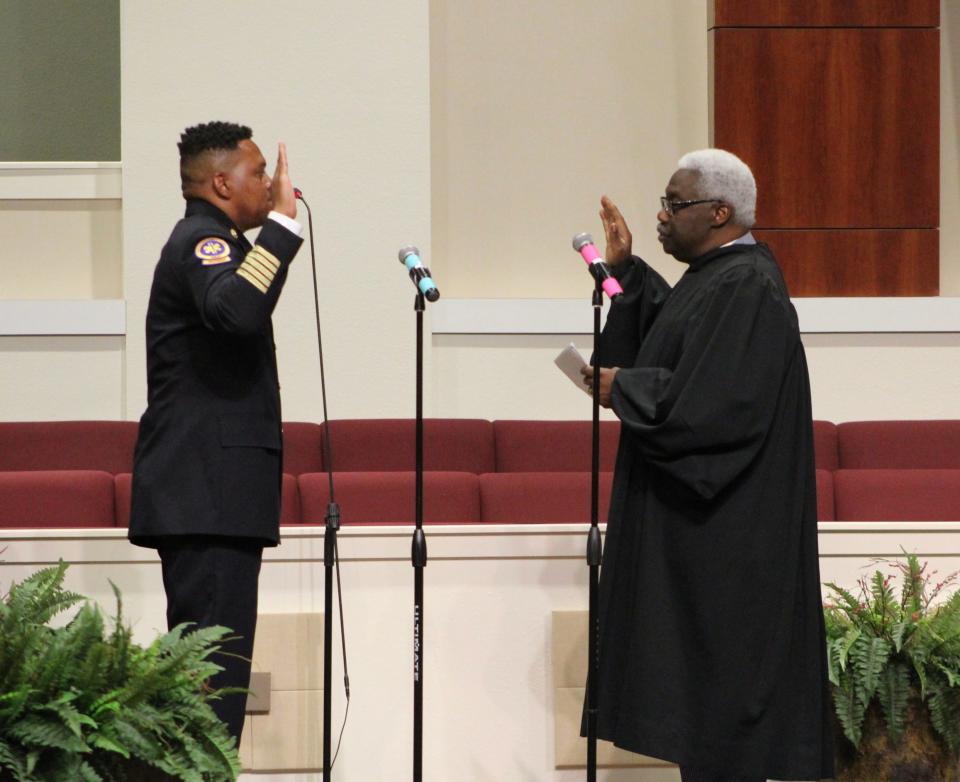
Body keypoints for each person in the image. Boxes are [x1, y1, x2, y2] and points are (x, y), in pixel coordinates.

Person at [580, 149, 833, 782]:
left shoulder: (747, 286)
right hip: (701, 543)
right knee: (706, 732)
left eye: (674, 204)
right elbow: (671, 339)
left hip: (728, 547)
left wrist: (626, 390)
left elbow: (718, 405)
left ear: (720, 212)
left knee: (725, 729)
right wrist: (624, 276)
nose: (661, 216)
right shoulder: (716, 278)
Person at [129, 121, 303, 742]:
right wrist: (283, 229)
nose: (274, 183)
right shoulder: (202, 242)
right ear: (223, 183)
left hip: (213, 499)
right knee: (209, 692)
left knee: (213, 688)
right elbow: (236, 311)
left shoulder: (217, 241)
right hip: (205, 499)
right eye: (259, 173)